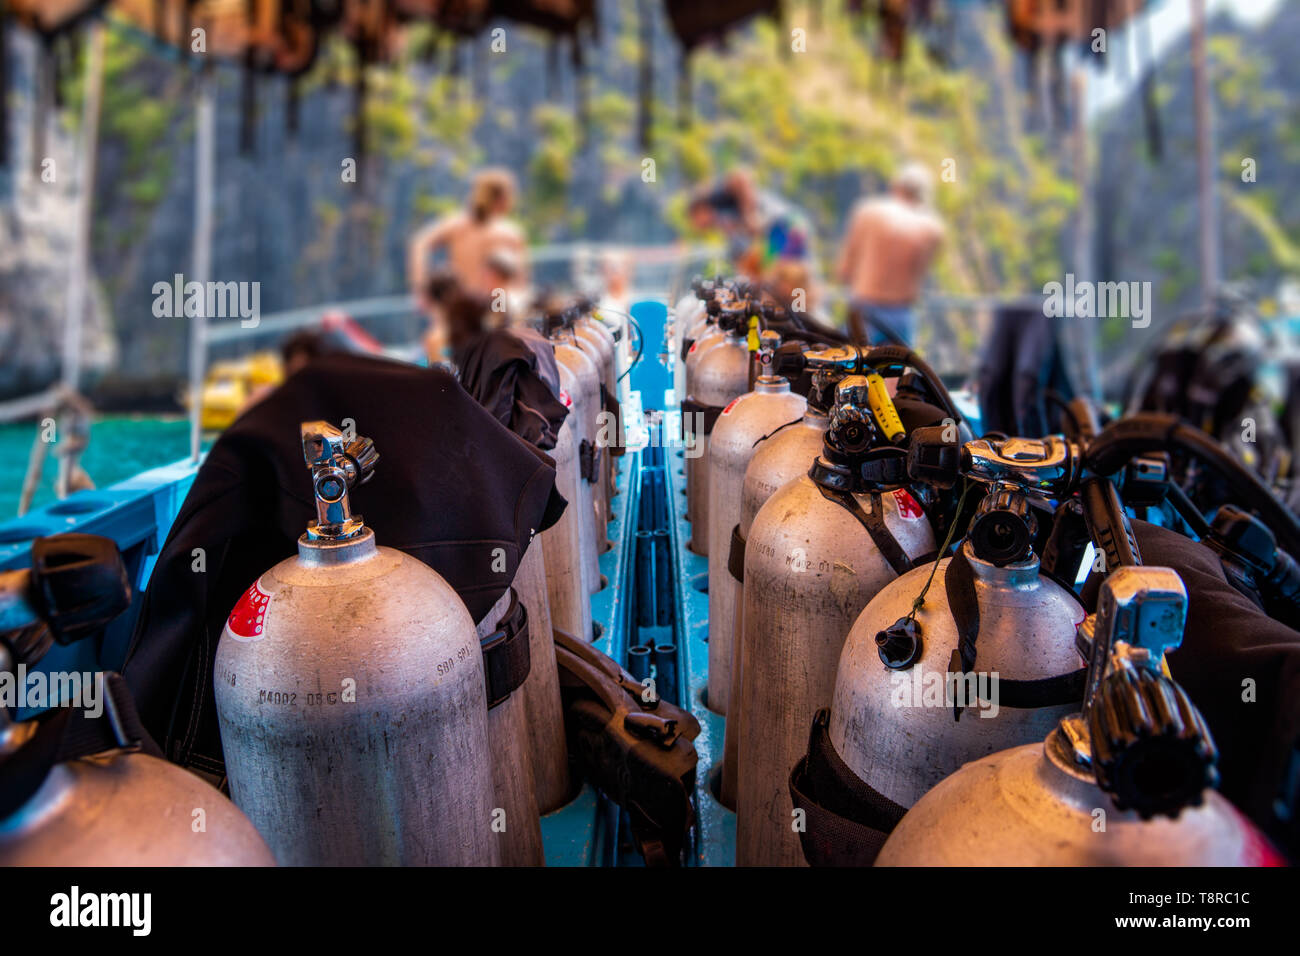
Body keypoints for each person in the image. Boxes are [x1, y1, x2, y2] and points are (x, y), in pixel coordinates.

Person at [837, 162, 944, 347]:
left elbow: (844, 270)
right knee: (897, 372)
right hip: (901, 314)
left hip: (864, 309)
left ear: (896, 186)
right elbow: (919, 275)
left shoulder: (867, 212)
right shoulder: (932, 228)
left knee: (851, 371)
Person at [408, 168, 529, 303]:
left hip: (464, 307)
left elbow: (420, 243)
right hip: (493, 306)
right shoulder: (509, 234)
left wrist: (422, 288)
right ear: (502, 198)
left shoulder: (456, 225)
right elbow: (519, 284)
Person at [688, 169, 813, 279]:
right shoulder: (721, 216)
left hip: (786, 225)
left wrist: (748, 212)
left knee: (787, 276)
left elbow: (741, 176)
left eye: (695, 219)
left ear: (700, 209)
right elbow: (738, 248)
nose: (698, 226)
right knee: (775, 275)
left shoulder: (717, 199)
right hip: (781, 229)